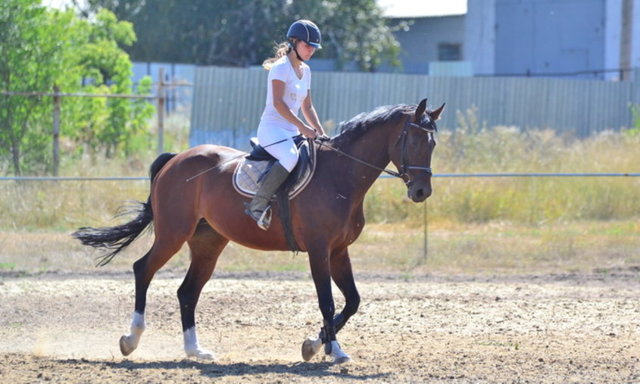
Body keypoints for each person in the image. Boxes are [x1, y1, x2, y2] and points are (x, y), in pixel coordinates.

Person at [245, 19, 327, 230]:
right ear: (294, 42)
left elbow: (307, 107)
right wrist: (303, 128)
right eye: (307, 46)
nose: (311, 51)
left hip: (292, 131)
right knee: (291, 157)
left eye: (314, 48)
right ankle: (257, 204)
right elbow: (278, 104)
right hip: (272, 129)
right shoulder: (281, 68)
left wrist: (321, 132)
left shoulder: (306, 71)